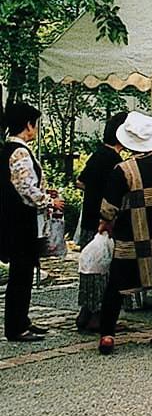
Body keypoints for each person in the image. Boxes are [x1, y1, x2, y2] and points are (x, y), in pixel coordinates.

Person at [96, 111, 152, 354]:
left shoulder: (121, 169)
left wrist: (104, 224)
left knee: (116, 286)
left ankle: (107, 335)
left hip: (130, 237)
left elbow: (109, 208)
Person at [2, 102, 65, 342]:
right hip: (20, 221)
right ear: (28, 125)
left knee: (24, 272)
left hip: (14, 219)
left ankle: (22, 320)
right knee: (22, 273)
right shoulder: (19, 151)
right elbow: (25, 187)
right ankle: (16, 326)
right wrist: (49, 201)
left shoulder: (10, 150)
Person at [74, 112, 127, 332]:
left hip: (88, 218)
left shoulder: (97, 155)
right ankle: (99, 316)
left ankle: (85, 313)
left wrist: (94, 193)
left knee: (89, 266)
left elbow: (80, 182)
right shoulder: (115, 161)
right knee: (103, 269)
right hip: (104, 222)